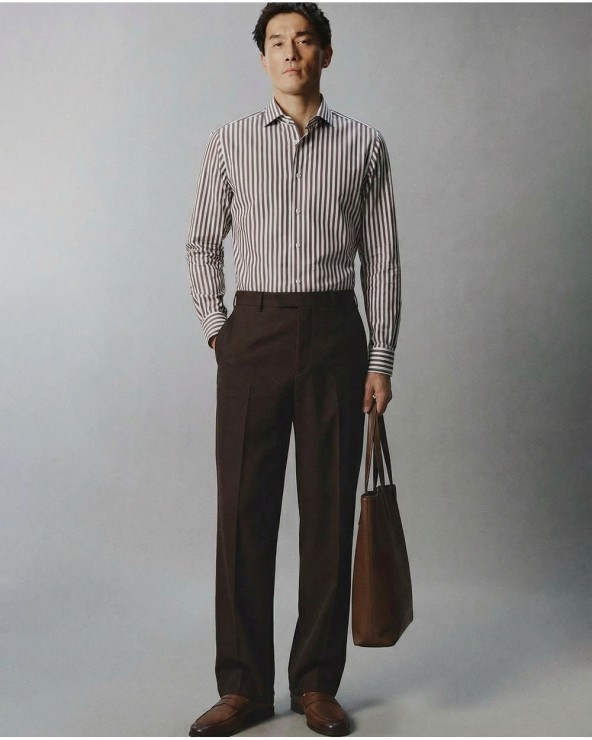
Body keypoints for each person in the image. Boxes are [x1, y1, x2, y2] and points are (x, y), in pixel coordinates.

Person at [185, 3, 401, 736]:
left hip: (336, 333)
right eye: (276, 42)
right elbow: (201, 243)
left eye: (303, 40)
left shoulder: (365, 144)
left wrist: (380, 357)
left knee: (329, 513)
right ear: (263, 58)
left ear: (325, 54)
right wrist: (220, 331)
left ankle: (315, 684)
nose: (290, 52)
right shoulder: (230, 140)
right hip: (253, 333)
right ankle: (242, 686)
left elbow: (383, 260)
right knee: (243, 513)